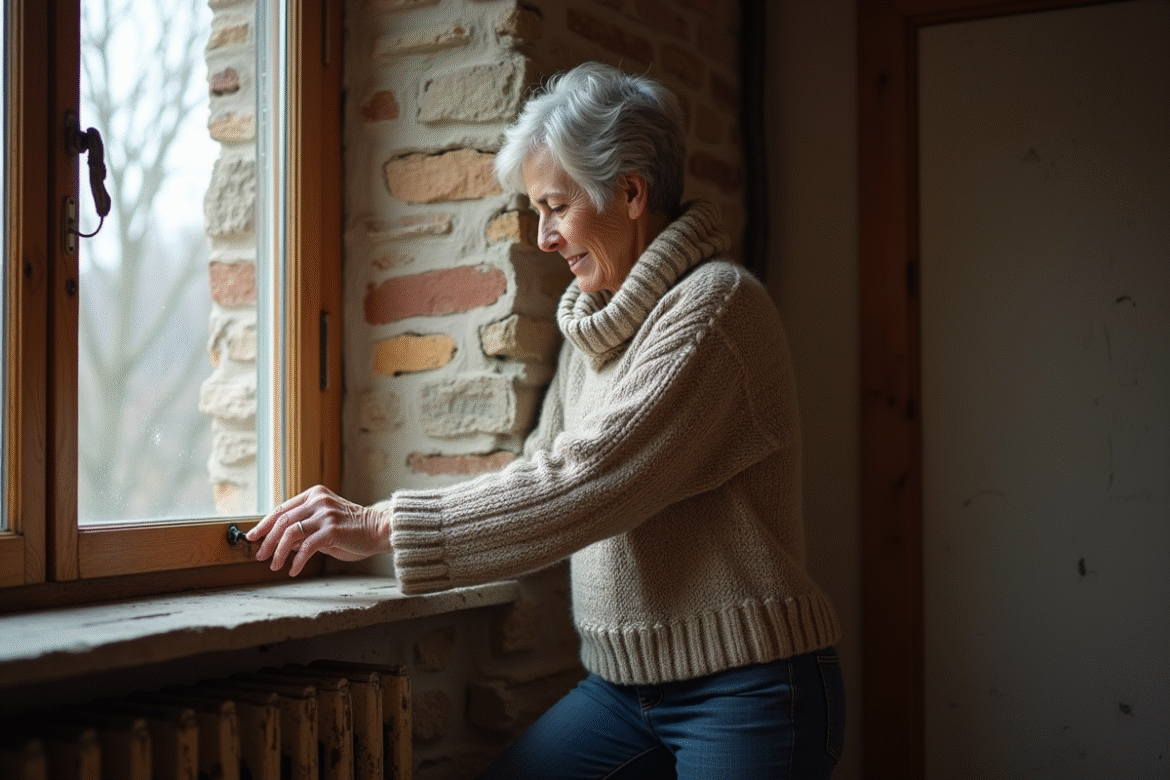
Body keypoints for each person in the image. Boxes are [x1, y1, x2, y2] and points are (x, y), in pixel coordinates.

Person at [247, 62, 845, 778]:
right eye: (537, 211)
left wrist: (381, 525)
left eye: (556, 207)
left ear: (631, 193)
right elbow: (536, 472)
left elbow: (588, 480)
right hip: (622, 692)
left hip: (750, 687)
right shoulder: (593, 328)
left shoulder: (716, 309)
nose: (543, 237)